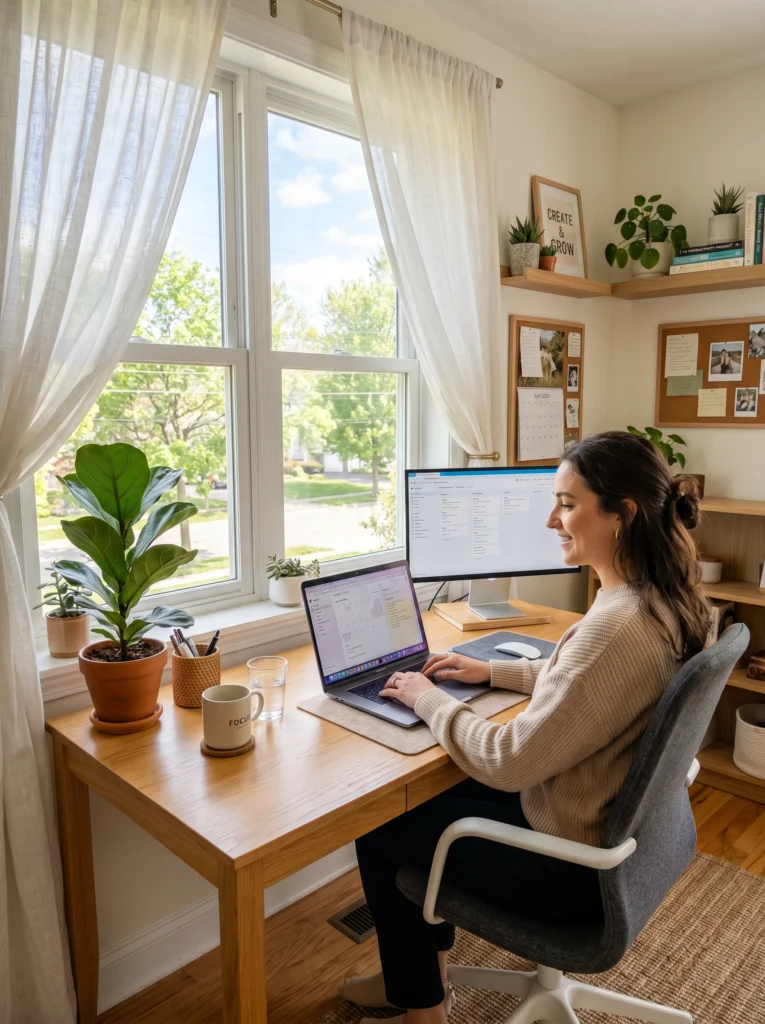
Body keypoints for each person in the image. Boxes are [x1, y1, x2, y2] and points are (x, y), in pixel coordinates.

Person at [340, 431, 709, 1024]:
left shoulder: (616, 625)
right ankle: (421, 982)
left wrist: (429, 697)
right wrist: (492, 671)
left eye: (566, 503)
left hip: (566, 870)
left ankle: (420, 1006)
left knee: (382, 830)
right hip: (613, 831)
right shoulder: (671, 598)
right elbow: (591, 686)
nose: (550, 520)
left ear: (622, 514)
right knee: (424, 809)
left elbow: (508, 760)